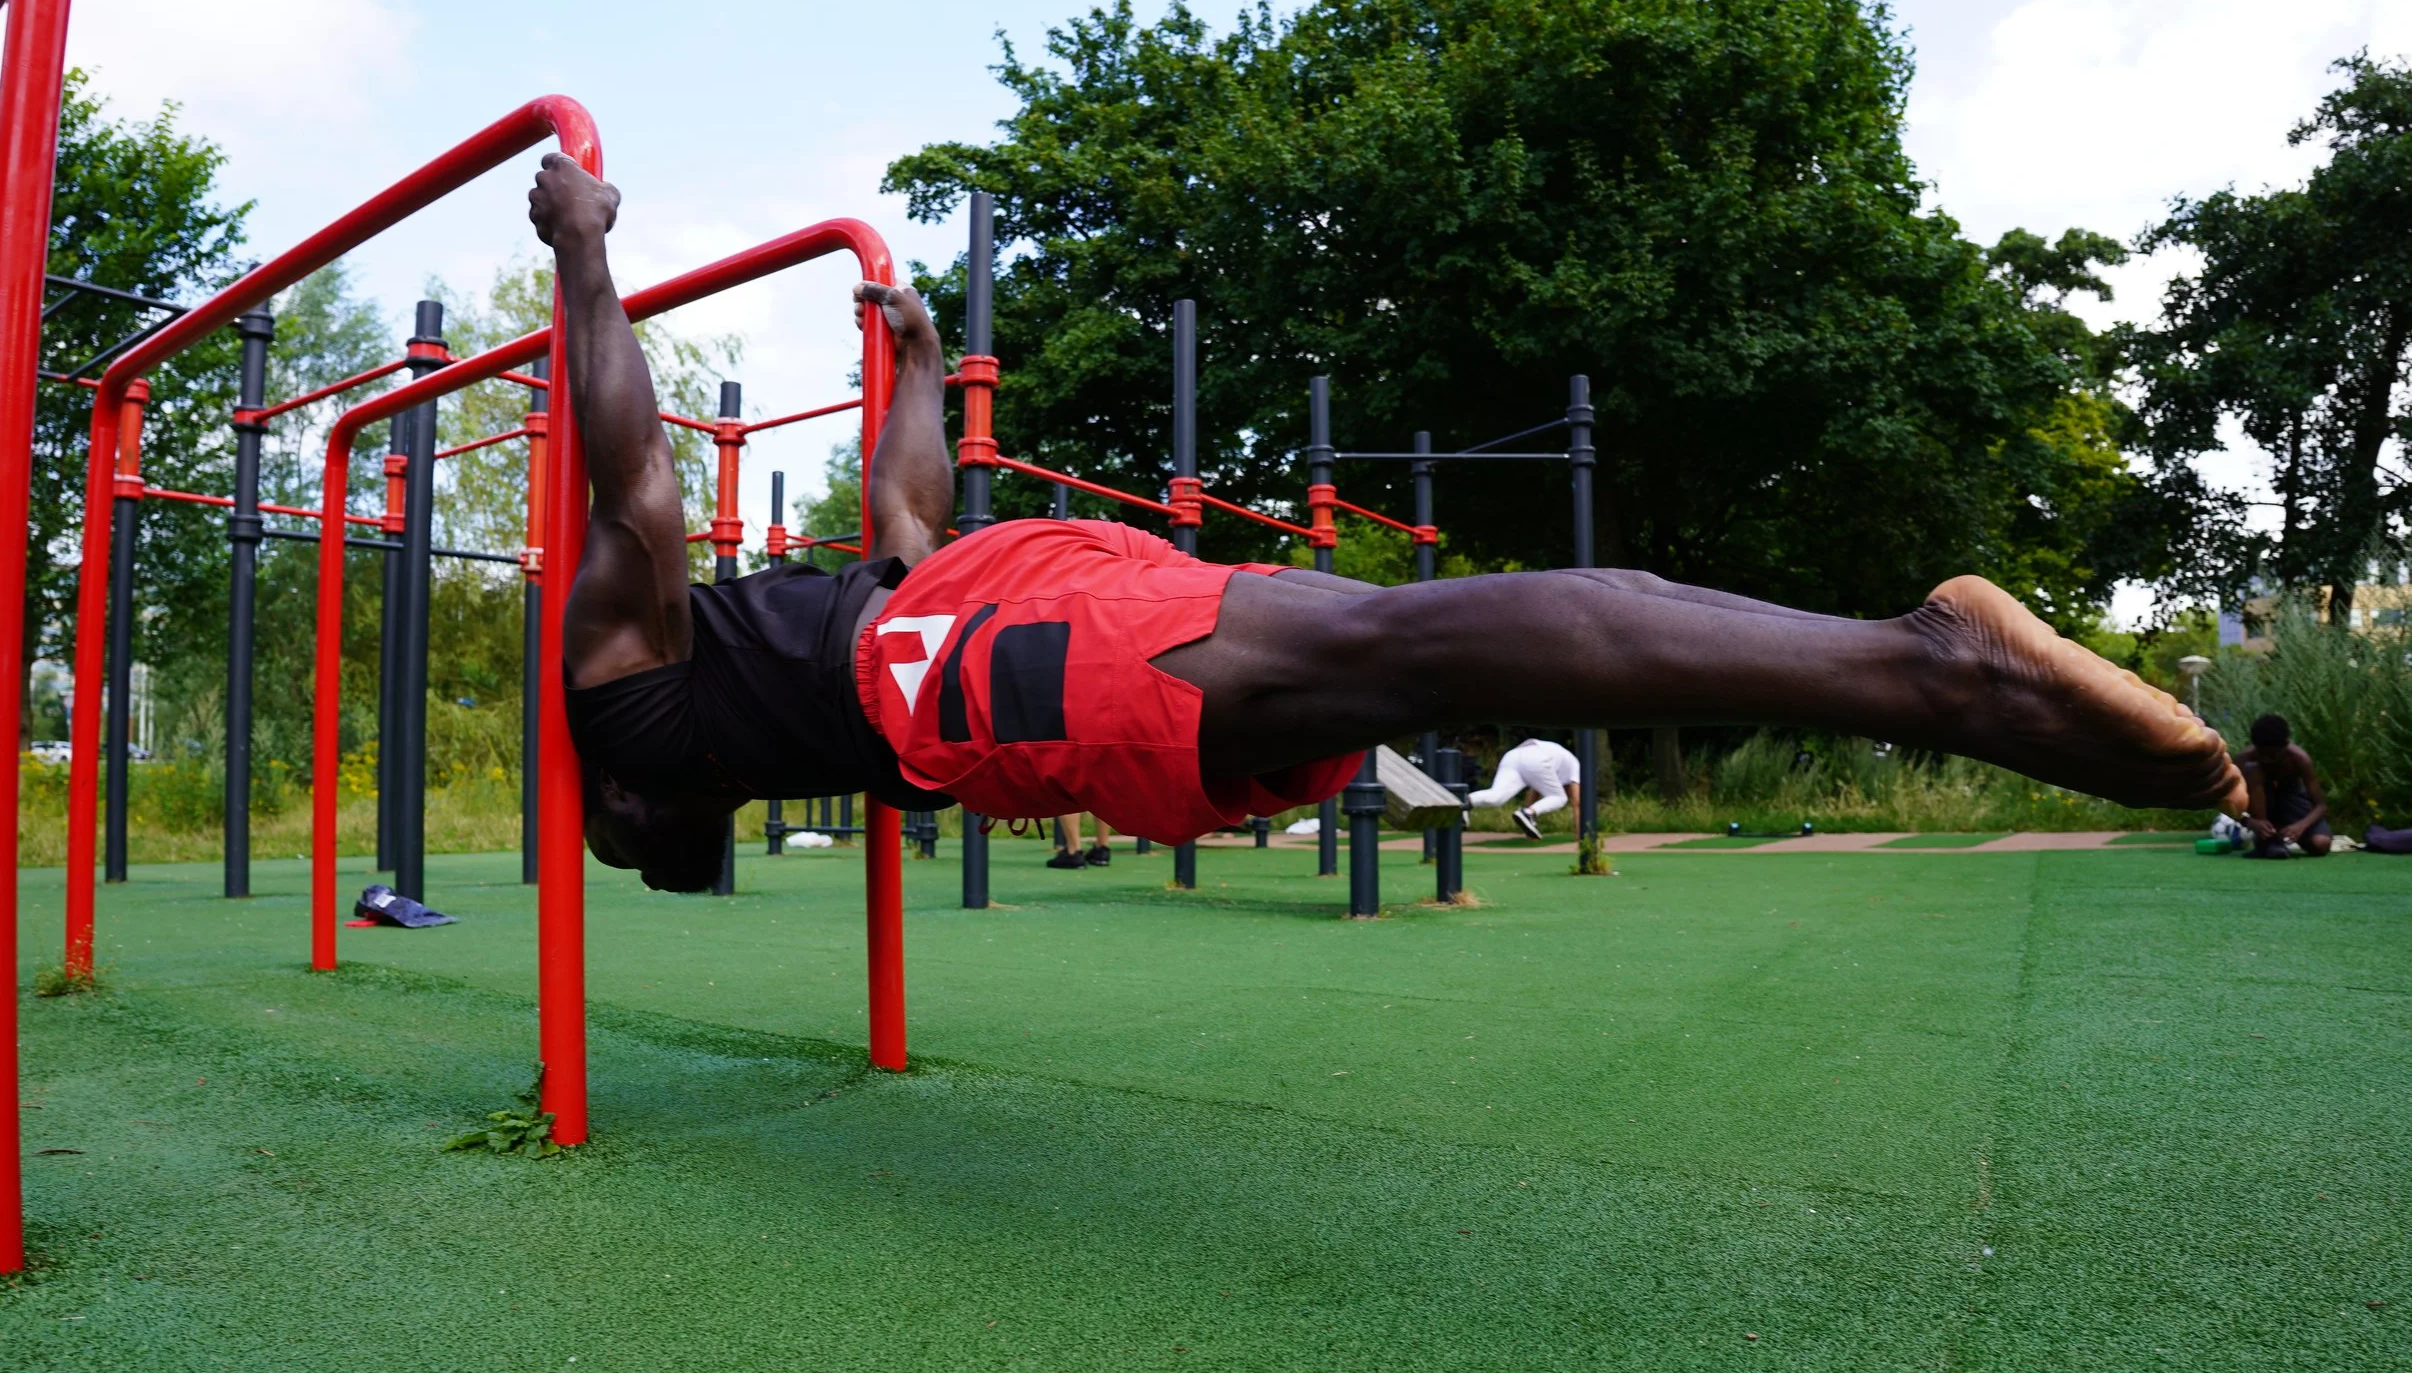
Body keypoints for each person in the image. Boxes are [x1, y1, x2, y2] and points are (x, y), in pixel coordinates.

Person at [527, 157, 2243, 892]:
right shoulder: (685, 704)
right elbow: (819, 509)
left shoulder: (657, 702)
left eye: (596, 835)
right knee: (1390, 653)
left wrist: (607, 257)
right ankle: (1912, 666)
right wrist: (898, 363)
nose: (601, 839)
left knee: (1405, 648)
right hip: (989, 633)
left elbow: (728, 498)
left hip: (993, 662)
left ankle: (1926, 668)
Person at [2235, 713, 2332, 858]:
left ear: (2285, 745)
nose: (2266, 760)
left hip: (2293, 802)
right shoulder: (2243, 760)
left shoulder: (2300, 759)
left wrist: (2300, 826)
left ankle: (2279, 840)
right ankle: (2266, 841)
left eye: (2272, 755)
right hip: (2263, 809)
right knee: (2252, 769)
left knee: (2321, 843)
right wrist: (2250, 822)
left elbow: (2321, 806)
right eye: (2261, 753)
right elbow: (2227, 806)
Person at [1468, 735, 1585, 839]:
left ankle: (1466, 800)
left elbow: (1534, 793)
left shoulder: (1556, 767)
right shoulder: (1575, 765)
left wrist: (1527, 827)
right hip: (1536, 757)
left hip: (1513, 756)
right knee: (1560, 798)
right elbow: (1577, 802)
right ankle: (1528, 814)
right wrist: (1581, 837)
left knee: (1497, 796)